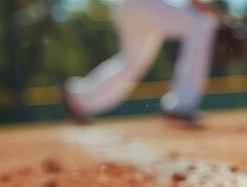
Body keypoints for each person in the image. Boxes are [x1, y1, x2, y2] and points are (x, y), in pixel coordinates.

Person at [62, 0, 220, 125]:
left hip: (130, 6)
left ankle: (79, 98)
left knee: (130, 63)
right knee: (201, 25)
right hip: (145, 5)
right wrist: (217, 15)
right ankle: (181, 105)